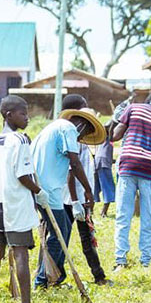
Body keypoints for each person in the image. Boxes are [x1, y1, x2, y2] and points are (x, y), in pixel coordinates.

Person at [31, 103, 105, 288]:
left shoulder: (54, 127)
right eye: (84, 134)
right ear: (83, 126)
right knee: (60, 234)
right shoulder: (69, 128)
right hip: (49, 190)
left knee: (62, 229)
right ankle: (43, 281)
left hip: (40, 186)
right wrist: (88, 191)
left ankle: (54, 276)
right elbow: (75, 163)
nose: (81, 139)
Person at [0, 96, 48, 303]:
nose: (27, 118)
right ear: (8, 115)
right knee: (21, 252)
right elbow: (23, 176)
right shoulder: (19, 140)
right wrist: (39, 192)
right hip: (16, 203)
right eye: (23, 113)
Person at [112, 89, 151, 269]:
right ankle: (145, 261)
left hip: (128, 166)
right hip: (150, 171)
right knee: (148, 217)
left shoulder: (133, 108)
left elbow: (115, 136)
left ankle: (120, 260)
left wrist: (118, 118)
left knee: (123, 215)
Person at [60, 95, 109, 286]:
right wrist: (75, 201)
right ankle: (52, 276)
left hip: (80, 197)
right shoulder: (74, 140)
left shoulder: (82, 141)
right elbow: (71, 172)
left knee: (87, 238)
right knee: (60, 239)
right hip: (70, 199)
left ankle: (98, 275)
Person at [94, 121, 115, 218]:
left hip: (98, 162)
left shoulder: (102, 139)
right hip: (103, 163)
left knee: (96, 187)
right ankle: (103, 212)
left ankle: (90, 211)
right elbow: (108, 126)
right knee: (107, 187)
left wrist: (112, 160)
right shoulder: (108, 136)